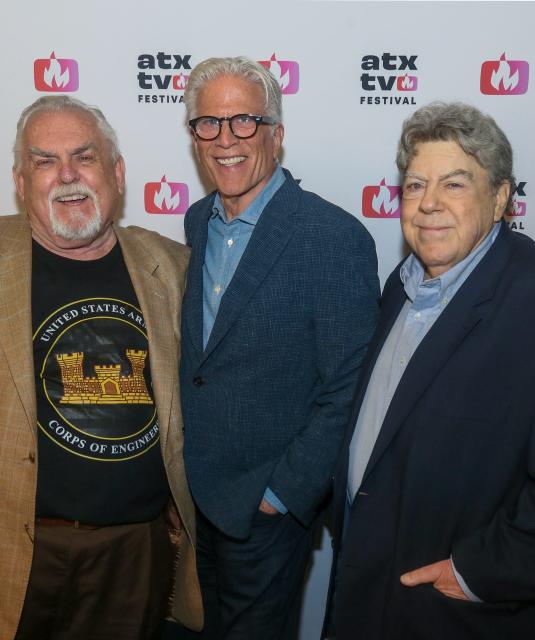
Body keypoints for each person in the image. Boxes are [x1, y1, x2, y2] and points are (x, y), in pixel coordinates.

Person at [0, 95, 203, 640]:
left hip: (131, 554)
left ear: (117, 173)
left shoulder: (173, 267)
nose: (68, 176)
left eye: (85, 157)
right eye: (44, 161)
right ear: (20, 180)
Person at [324, 101, 535, 639]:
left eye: (455, 184)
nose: (429, 205)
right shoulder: (402, 286)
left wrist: (474, 574)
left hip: (471, 613)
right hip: (378, 591)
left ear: (501, 198)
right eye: (415, 186)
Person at [177, 56, 380, 639]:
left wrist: (282, 495)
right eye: (208, 124)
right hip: (198, 501)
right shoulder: (197, 221)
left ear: (276, 134)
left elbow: (348, 387)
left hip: (265, 510)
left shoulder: (332, 237)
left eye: (244, 121)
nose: (225, 139)